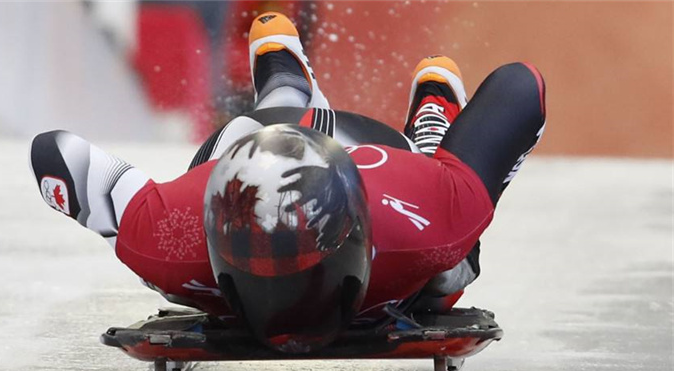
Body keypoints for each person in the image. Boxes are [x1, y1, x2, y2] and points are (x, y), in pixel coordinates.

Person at [29, 12, 546, 353]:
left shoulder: (429, 219)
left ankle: (429, 121)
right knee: (443, 269)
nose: (285, 300)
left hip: (392, 160)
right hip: (256, 149)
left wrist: (457, 170)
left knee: (450, 269)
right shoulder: (171, 235)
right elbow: (56, 153)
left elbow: (522, 88)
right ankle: (285, 81)